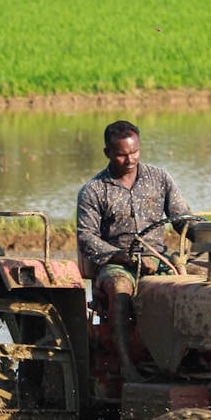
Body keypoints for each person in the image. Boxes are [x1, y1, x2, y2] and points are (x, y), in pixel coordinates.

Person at [76, 120, 190, 383]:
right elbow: (87, 238)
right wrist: (122, 257)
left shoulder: (160, 178)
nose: (130, 159)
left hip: (158, 259)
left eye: (134, 152)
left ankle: (180, 361)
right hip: (116, 263)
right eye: (121, 154)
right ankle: (128, 367)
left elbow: (181, 218)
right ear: (107, 153)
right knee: (120, 288)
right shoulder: (94, 190)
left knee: (195, 284)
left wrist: (205, 234)